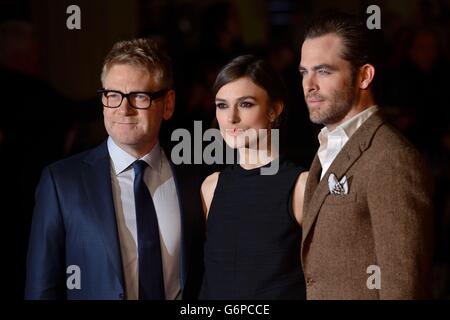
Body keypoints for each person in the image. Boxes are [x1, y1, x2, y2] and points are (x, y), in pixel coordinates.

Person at [25, 38, 204, 300]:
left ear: (168, 104)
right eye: (113, 95)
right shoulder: (61, 182)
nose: (123, 109)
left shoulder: (197, 178)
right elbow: (42, 289)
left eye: (139, 96)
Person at [298, 11, 433, 299]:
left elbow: (403, 286)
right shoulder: (327, 147)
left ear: (364, 76)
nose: (309, 85)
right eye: (304, 72)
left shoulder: (391, 158)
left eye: (323, 71)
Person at [200, 55, 308, 299]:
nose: (231, 118)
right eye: (222, 105)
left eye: (246, 104)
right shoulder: (211, 187)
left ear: (274, 110)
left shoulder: (301, 185)